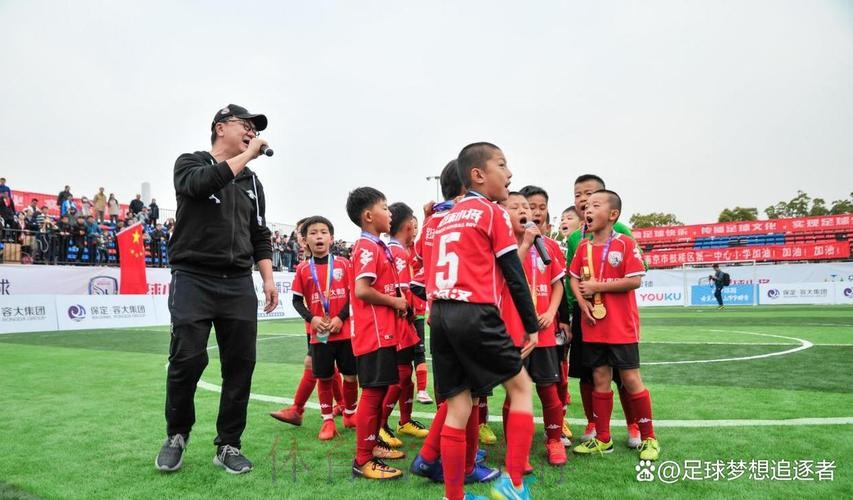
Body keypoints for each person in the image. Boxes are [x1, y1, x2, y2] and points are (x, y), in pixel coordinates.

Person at [155, 103, 278, 475]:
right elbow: (201, 185)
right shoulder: (191, 163)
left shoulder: (252, 182)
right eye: (246, 126)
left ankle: (228, 444)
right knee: (187, 359)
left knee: (241, 365)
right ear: (221, 127)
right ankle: (177, 435)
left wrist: (268, 278)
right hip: (193, 277)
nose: (252, 133)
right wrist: (247, 156)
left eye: (256, 130)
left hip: (238, 282)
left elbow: (259, 234)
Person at [426, 143, 538, 500]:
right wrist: (532, 325)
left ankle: (453, 496)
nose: (509, 173)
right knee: (521, 388)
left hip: (440, 315)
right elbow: (514, 273)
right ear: (477, 174)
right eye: (502, 165)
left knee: (458, 407)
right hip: (474, 312)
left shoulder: (446, 217)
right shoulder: (491, 212)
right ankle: (514, 486)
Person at [409, 160, 496, 488]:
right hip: (468, 313)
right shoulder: (468, 217)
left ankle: (443, 455)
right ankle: (448, 459)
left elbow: (419, 263)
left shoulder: (434, 221)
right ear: (467, 184)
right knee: (467, 395)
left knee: (458, 394)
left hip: (439, 315)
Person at [569, 189, 659, 461]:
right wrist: (582, 303)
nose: (588, 209)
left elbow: (635, 280)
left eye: (595, 205)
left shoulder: (625, 243)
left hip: (621, 327)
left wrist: (598, 286)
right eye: (586, 206)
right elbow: (574, 278)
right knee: (600, 378)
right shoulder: (583, 247)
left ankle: (649, 438)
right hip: (593, 326)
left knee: (630, 379)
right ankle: (603, 438)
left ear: (612, 214)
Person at [564, 174, 642, 448]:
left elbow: (636, 273)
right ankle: (596, 426)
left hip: (616, 318)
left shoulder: (622, 233)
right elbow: (571, 277)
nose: (584, 201)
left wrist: (600, 285)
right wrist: (577, 306)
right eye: (578, 196)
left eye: (590, 195)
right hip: (585, 316)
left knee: (625, 376)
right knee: (591, 374)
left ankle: (636, 427)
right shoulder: (576, 239)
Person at [500, 191, 568, 466]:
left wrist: (551, 312)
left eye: (525, 207)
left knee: (549, 389)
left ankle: (554, 440)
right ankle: (518, 450)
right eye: (514, 207)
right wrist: (526, 243)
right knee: (515, 391)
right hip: (515, 332)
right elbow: (508, 275)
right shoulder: (502, 245)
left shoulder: (547, 245)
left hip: (545, 331)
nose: (524, 211)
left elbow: (557, 284)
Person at [346, 186, 406, 480]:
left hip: (383, 331)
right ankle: (362, 460)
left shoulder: (378, 246)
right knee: (372, 392)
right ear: (369, 216)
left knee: (379, 390)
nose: (390, 213)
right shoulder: (367, 247)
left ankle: (372, 447)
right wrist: (394, 302)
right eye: (384, 207)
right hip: (374, 333)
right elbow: (362, 290)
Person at [290, 216, 358, 440]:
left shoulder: (344, 264)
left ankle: (350, 414)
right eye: (313, 233)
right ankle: (327, 420)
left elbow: (354, 295)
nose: (318, 236)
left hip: (344, 331)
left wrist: (340, 317)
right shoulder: (302, 269)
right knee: (325, 377)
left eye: (323, 232)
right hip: (320, 334)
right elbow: (296, 301)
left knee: (350, 375)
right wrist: (312, 319)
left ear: (331, 238)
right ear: (305, 240)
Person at [379, 202, 430, 447]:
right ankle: (380, 425)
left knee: (406, 374)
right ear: (409, 226)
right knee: (400, 374)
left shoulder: (398, 250)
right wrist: (410, 312)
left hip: (404, 320)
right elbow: (402, 290)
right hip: (399, 322)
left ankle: (405, 421)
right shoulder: (396, 252)